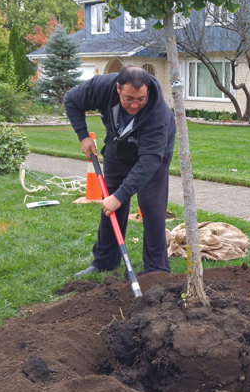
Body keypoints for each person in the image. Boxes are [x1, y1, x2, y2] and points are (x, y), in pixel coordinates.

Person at [64, 65, 176, 276]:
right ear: (117, 89)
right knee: (110, 205)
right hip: (118, 145)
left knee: (151, 205)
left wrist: (120, 196)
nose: (135, 105)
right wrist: (83, 135)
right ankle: (105, 261)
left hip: (154, 153)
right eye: (129, 99)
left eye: (140, 99)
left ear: (148, 92)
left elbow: (150, 160)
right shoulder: (101, 87)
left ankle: (156, 269)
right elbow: (71, 99)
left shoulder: (157, 112)